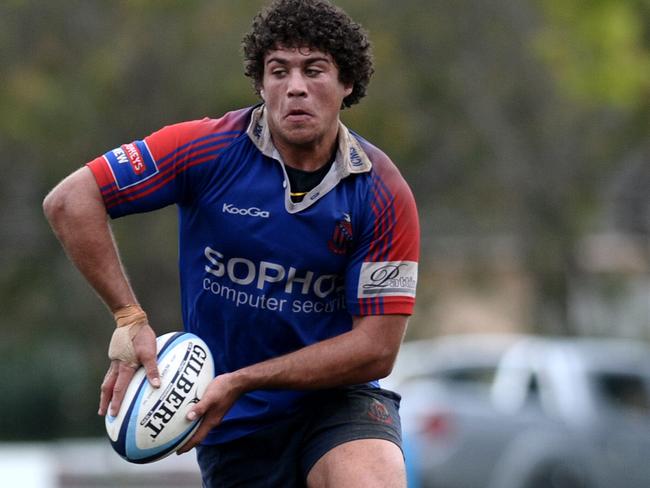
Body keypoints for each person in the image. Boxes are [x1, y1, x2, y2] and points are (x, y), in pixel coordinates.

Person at [43, 0, 420, 486]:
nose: (295, 86)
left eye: (314, 70)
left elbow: (377, 349)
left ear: (347, 83)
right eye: (278, 71)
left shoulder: (383, 192)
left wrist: (245, 378)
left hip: (336, 403)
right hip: (229, 422)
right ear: (261, 85)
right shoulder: (208, 149)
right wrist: (128, 317)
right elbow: (70, 200)